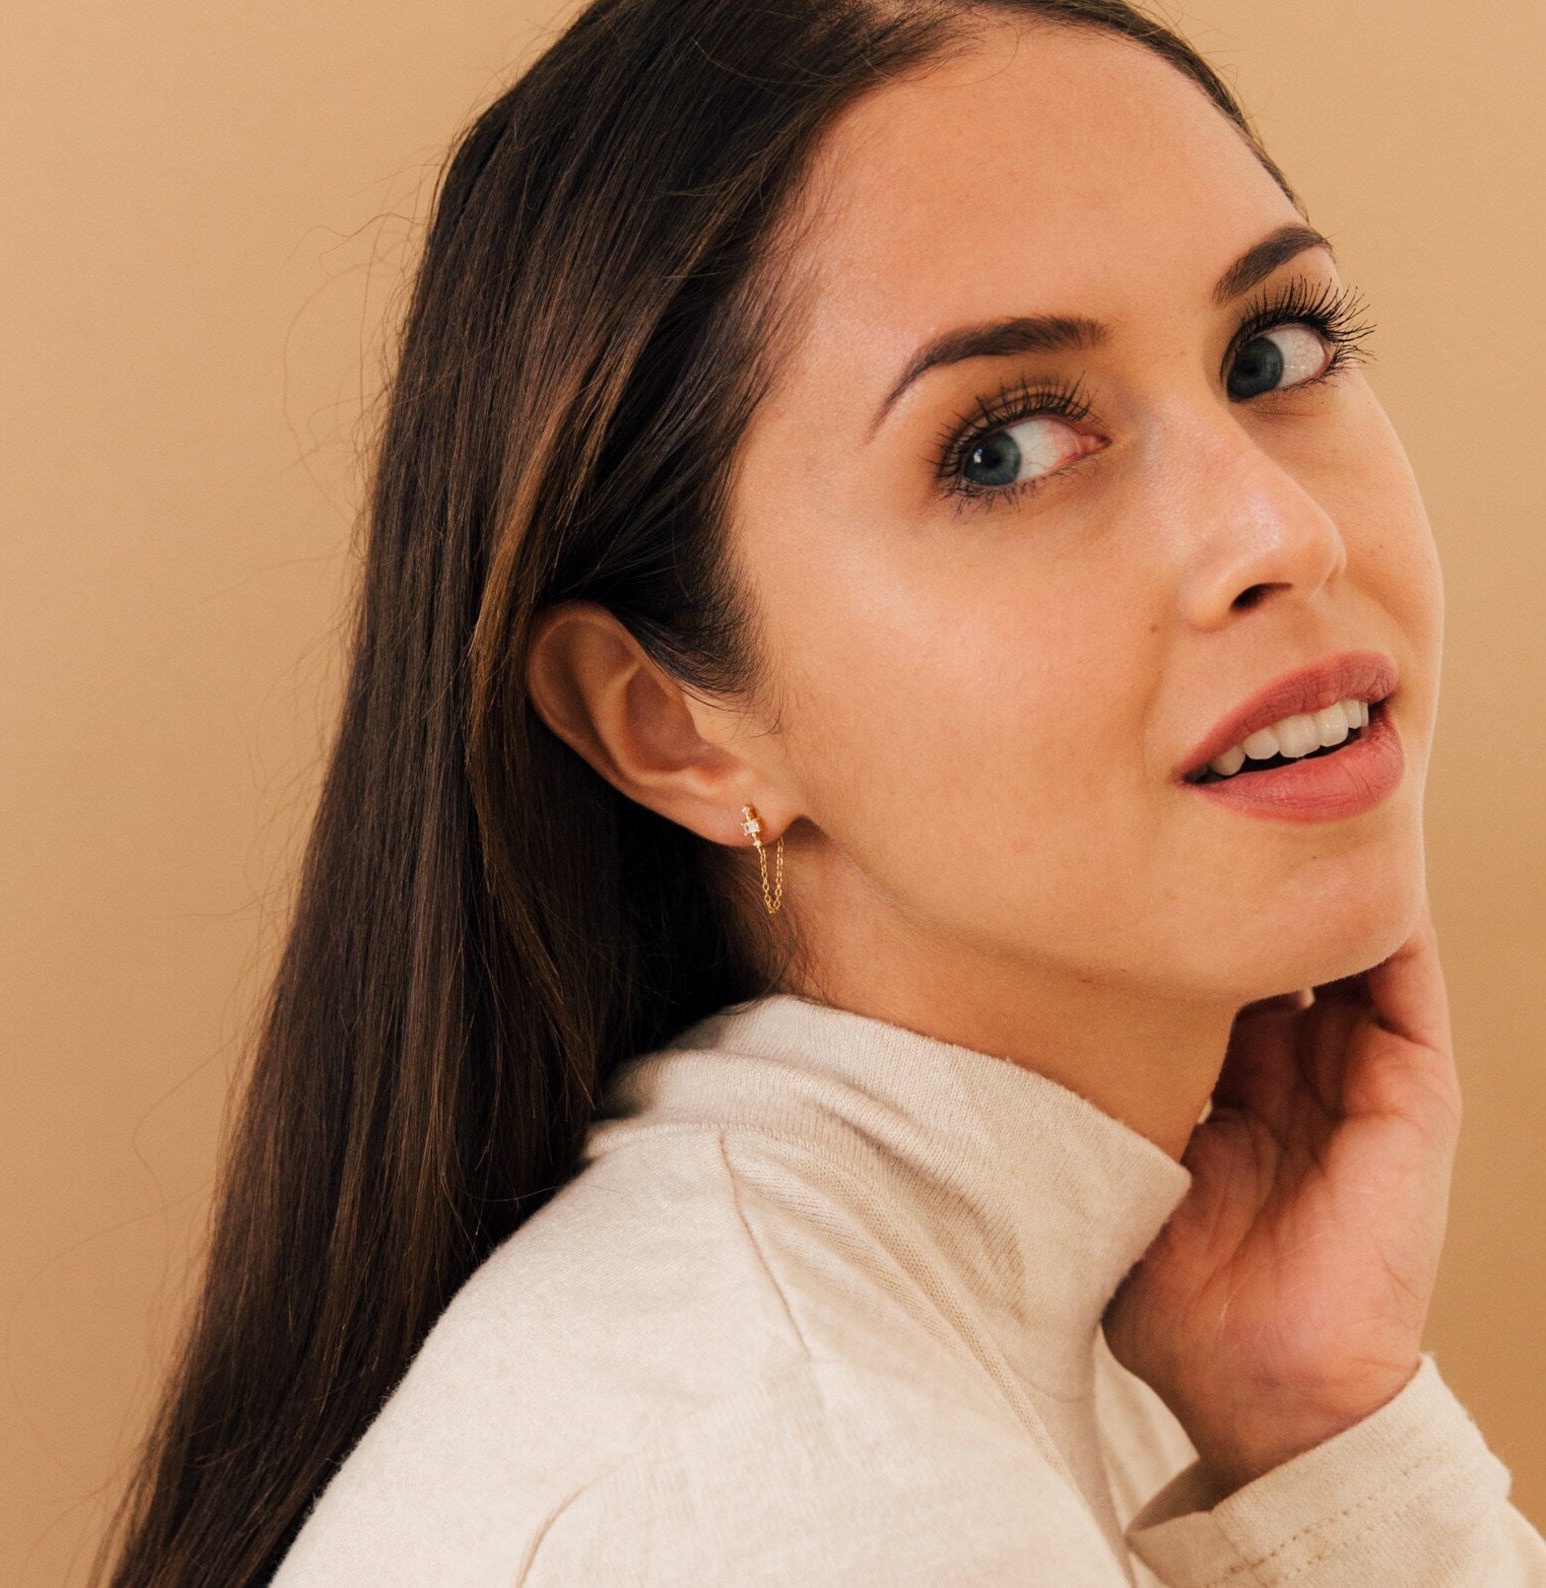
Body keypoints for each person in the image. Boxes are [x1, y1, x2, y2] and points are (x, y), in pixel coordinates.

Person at [96, 0, 1546, 1583]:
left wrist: (1329, 1442)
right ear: (673, 725)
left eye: (1274, 352)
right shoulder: (800, 1491)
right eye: (1001, 448)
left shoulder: (1049, 1335)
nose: (1282, 531)